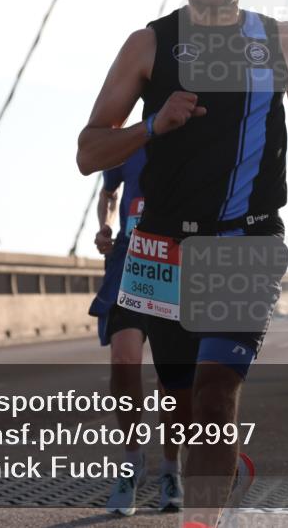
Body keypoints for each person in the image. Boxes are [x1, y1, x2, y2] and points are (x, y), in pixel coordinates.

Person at [76, 0, 288, 528]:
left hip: (246, 242)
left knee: (217, 395)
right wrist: (152, 124)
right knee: (184, 405)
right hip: (161, 249)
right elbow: (89, 151)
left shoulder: (279, 41)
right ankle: (193, 473)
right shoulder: (149, 45)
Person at [89, 147, 184, 514]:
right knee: (124, 360)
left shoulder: (194, 134)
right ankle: (132, 462)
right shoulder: (129, 140)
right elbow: (109, 193)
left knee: (169, 377)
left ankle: (171, 469)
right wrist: (105, 225)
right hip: (129, 264)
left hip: (174, 262)